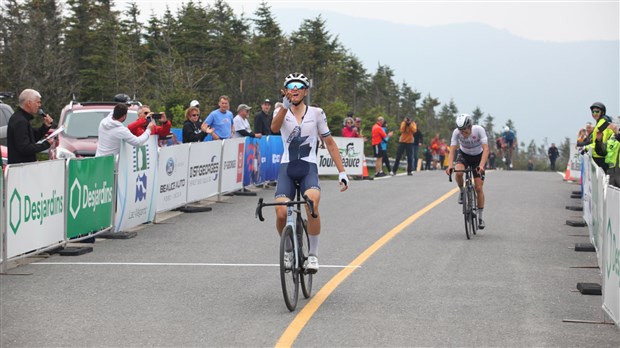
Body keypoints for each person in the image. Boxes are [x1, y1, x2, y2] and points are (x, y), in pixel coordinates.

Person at [271, 72, 349, 274]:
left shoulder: (316, 113)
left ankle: (313, 255)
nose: (294, 89)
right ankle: (288, 250)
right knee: (280, 212)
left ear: (305, 91)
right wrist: (284, 108)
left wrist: (342, 172)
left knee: (311, 203)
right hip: (287, 166)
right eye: (290, 86)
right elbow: (274, 128)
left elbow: (329, 142)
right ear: (286, 91)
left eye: (299, 85)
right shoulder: (280, 110)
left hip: (308, 167)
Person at [445, 114, 489, 229]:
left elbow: (486, 149)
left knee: (478, 188)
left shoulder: (479, 130)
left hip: (478, 157)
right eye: (461, 131)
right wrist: (450, 166)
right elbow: (452, 150)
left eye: (465, 130)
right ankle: (462, 190)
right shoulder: (456, 133)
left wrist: (482, 166)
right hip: (464, 155)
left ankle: (480, 217)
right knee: (458, 173)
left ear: (470, 126)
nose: (463, 133)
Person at [7, 89, 54, 164]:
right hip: (21, 169)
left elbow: (31, 138)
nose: (39, 105)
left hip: (23, 167)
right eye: (38, 102)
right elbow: (25, 148)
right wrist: (46, 144)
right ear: (29, 103)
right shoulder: (20, 121)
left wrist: (45, 126)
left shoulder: (21, 118)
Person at [585, 102, 614, 172]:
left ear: (602, 112)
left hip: (601, 158)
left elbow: (601, 143)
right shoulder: (600, 122)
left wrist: (586, 148)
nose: (594, 114)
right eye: (593, 112)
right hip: (600, 156)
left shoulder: (602, 123)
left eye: (597, 112)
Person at [594, 122, 620, 187]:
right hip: (611, 174)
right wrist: (599, 140)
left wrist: (617, 133)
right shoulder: (613, 137)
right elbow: (602, 152)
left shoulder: (616, 135)